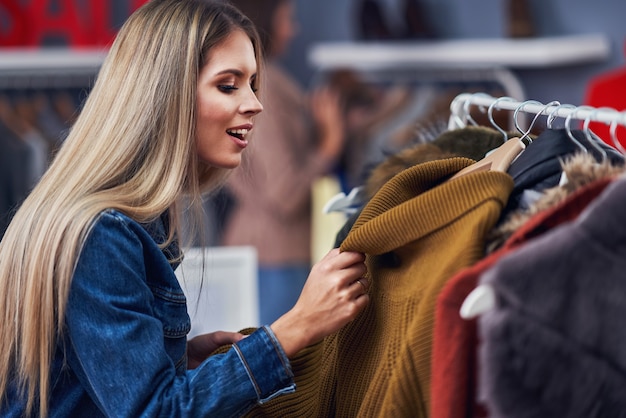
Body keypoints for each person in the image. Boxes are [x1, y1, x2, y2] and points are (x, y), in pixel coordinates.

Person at [0, 1, 369, 416]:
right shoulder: (102, 234)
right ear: (166, 93)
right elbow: (157, 412)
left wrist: (176, 357)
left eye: (253, 84)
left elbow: (93, 382)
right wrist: (295, 328)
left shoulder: (130, 220)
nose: (254, 104)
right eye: (228, 85)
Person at [222, 0, 347, 325]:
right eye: (286, 17)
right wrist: (329, 146)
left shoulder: (257, 81)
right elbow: (285, 192)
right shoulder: (267, 88)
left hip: (268, 252)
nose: (293, 28)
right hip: (275, 256)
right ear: (263, 21)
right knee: (276, 367)